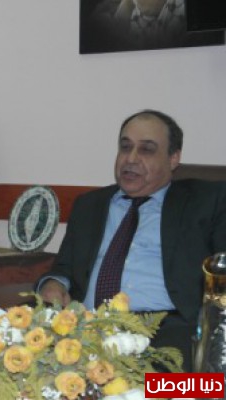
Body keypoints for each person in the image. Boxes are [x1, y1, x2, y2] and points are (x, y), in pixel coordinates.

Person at [38, 109, 226, 371]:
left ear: (173, 158)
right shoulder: (89, 205)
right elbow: (64, 267)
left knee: (189, 388)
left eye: (147, 149)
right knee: (21, 369)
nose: (131, 158)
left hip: (166, 332)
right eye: (125, 147)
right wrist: (53, 283)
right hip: (87, 329)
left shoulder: (207, 201)